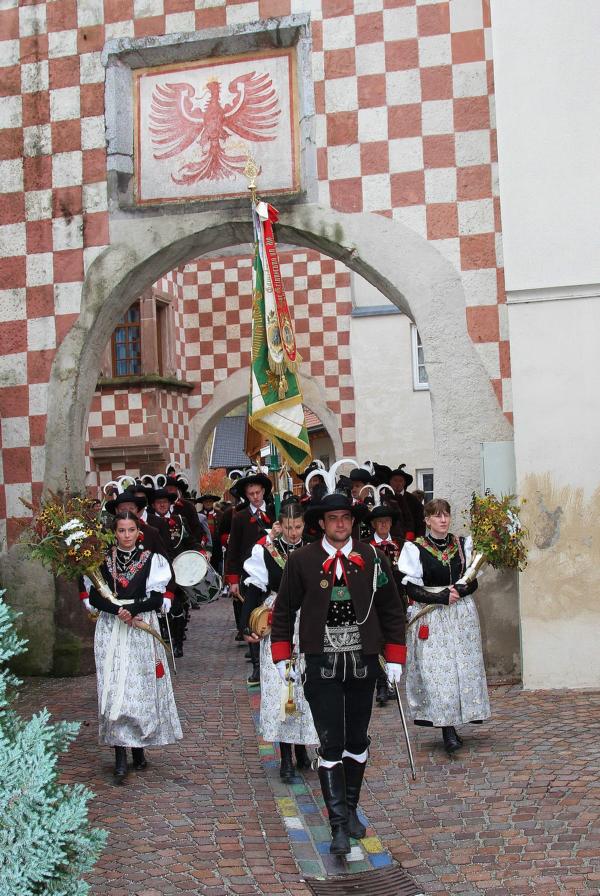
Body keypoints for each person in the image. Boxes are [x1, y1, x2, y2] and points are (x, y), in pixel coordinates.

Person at [271, 493, 406, 856]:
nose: (340, 524)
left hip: (363, 662)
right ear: (322, 523)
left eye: (345, 517)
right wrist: (282, 656)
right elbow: (283, 611)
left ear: (352, 521)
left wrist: (395, 656)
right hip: (321, 664)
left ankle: (349, 809)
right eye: (333, 518)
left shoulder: (372, 557)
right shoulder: (301, 560)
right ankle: (338, 826)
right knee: (330, 742)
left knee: (357, 740)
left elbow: (392, 609)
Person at [83, 512, 182, 782]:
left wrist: (133, 610)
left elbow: (156, 598)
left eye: (131, 530)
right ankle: (119, 754)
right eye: (121, 530)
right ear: (114, 533)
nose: (126, 535)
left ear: (139, 532)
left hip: (140, 626)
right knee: (115, 687)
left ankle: (138, 748)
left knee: (139, 687)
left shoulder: (152, 560)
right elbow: (94, 597)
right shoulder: (102, 560)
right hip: (111, 628)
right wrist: (118, 610)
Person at [398, 498, 491, 754]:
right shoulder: (415, 548)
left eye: (446, 515)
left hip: (461, 614)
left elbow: (473, 580)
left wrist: (460, 590)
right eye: (437, 515)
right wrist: (440, 597)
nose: (443, 520)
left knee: (462, 667)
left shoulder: (461, 544)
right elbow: (410, 587)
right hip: (432, 615)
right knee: (438, 672)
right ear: (427, 520)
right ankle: (447, 729)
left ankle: (460, 718)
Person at [241, 499, 317, 783]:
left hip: (307, 621)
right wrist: (245, 623)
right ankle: (285, 755)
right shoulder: (266, 551)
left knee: (304, 689)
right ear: (279, 525)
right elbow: (254, 590)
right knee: (281, 688)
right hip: (278, 620)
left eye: (297, 527)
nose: (293, 532)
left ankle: (302, 747)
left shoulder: (313, 550)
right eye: (288, 527)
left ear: (304, 525)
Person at [224, 471, 275, 682]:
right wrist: (233, 580)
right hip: (250, 575)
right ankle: (257, 666)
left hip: (274, 573)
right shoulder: (240, 517)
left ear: (263, 491)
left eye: (257, 492)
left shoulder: (275, 511)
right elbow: (233, 550)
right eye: (250, 493)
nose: (255, 497)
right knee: (253, 618)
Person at [364, 504, 407, 707]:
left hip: (397, 598)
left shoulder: (402, 544)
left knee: (393, 637)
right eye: (379, 522)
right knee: (378, 640)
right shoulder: (365, 546)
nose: (383, 525)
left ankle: (390, 680)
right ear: (373, 524)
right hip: (373, 600)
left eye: (387, 521)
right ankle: (382, 684)